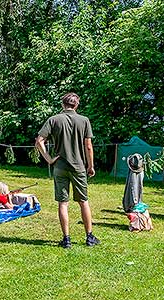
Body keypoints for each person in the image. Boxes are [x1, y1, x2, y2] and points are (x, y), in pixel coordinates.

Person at [35, 92, 100, 248]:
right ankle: (89, 237)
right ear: (76, 105)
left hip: (60, 167)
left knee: (63, 203)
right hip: (79, 167)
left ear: (63, 104)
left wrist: (49, 159)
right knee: (83, 202)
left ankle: (66, 239)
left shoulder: (54, 120)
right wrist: (90, 166)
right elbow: (88, 146)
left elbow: (39, 141)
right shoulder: (84, 120)